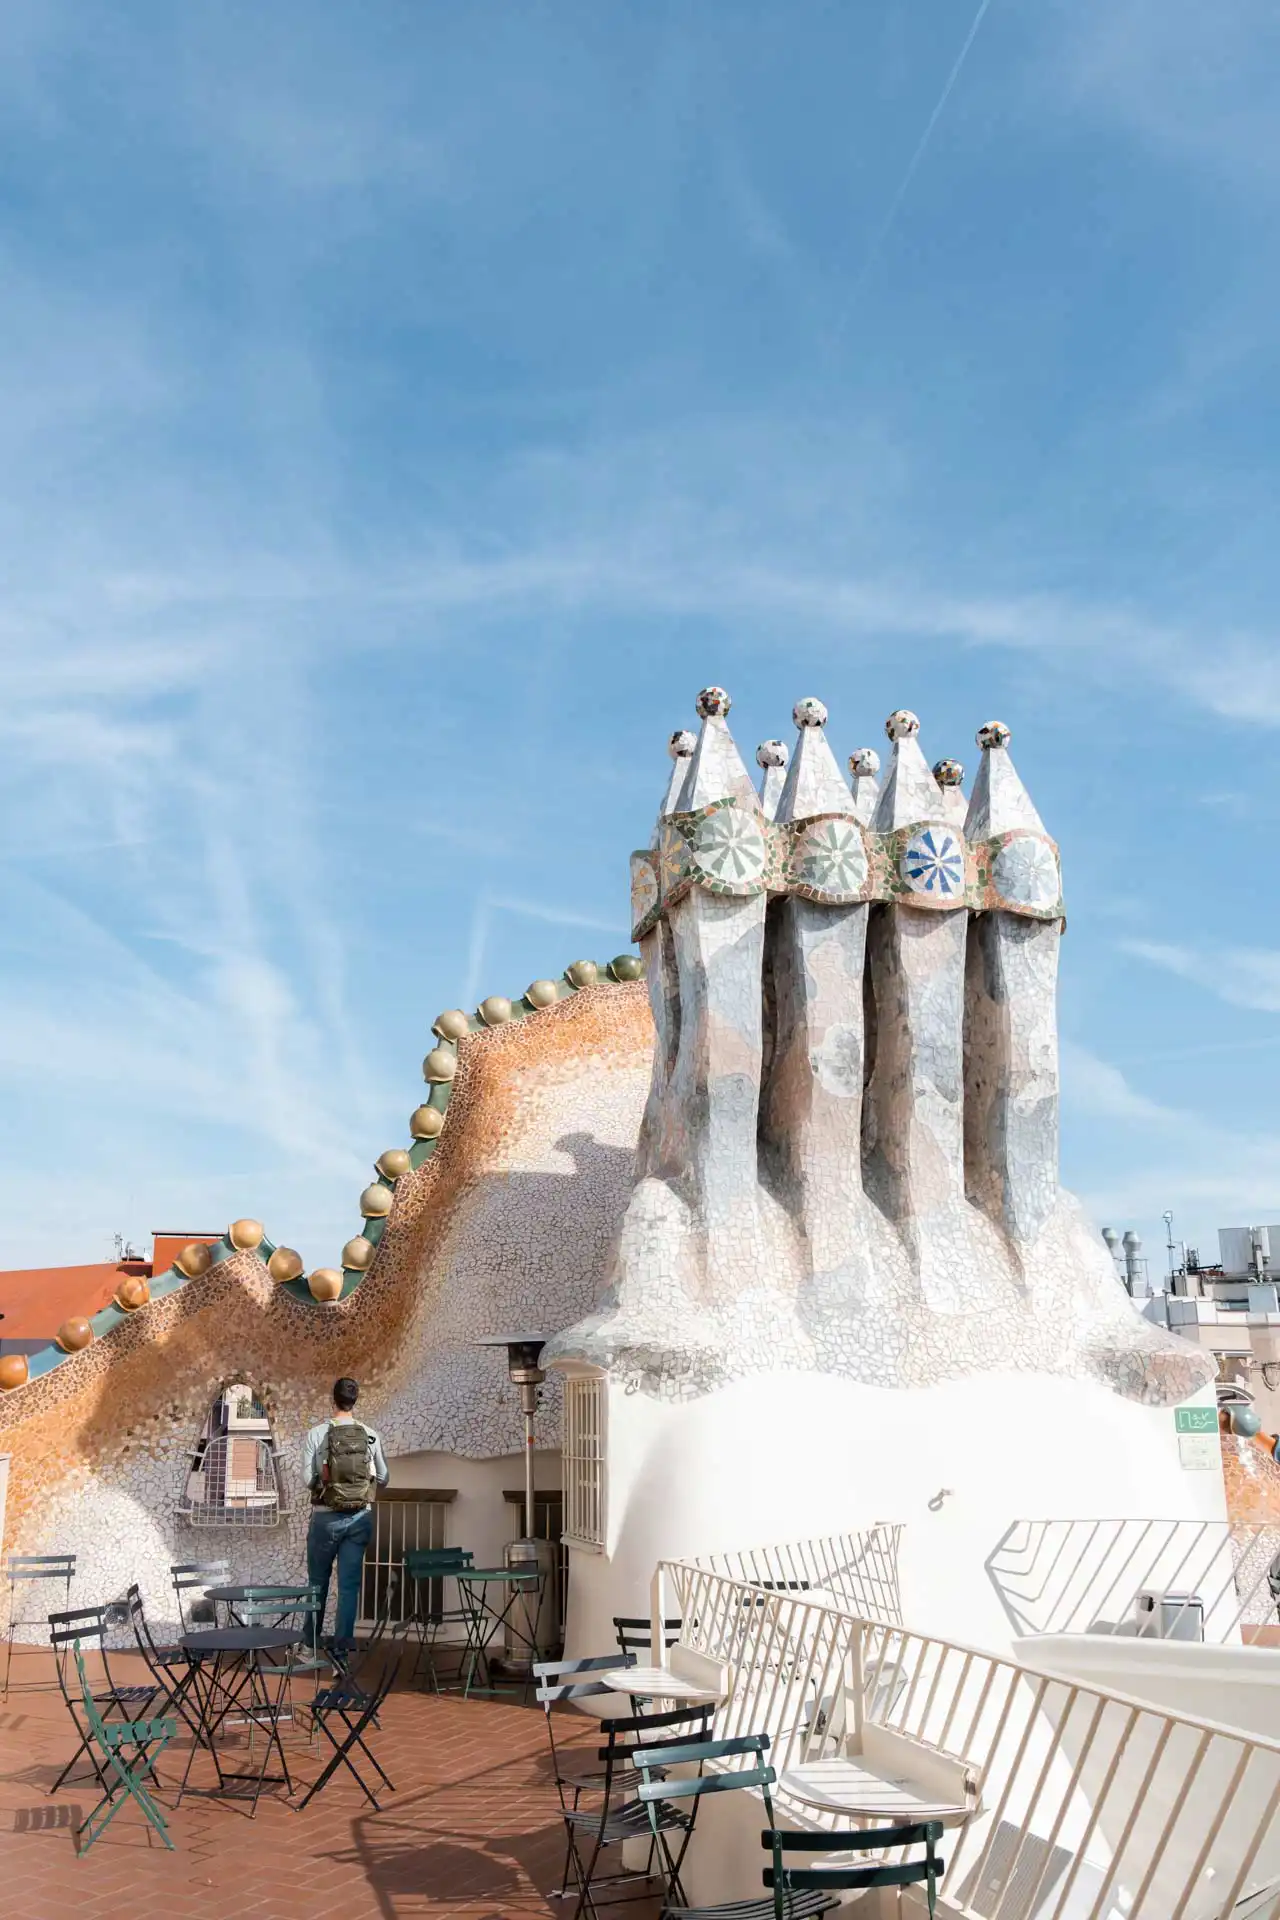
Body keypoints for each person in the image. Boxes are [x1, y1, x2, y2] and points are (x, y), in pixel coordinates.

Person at [303, 1377, 389, 1645]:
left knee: (317, 1584)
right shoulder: (370, 1434)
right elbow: (384, 1477)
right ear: (355, 1401)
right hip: (359, 1518)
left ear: (333, 1400)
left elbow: (308, 1479)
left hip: (325, 1519)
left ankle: (309, 1646)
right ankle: (342, 1656)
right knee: (349, 1588)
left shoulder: (317, 1434)